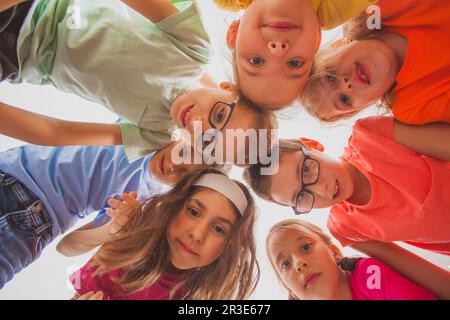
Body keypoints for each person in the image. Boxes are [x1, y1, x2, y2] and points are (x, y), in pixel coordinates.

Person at [0, 140, 221, 289]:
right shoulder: (145, 130)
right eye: (182, 152)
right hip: (9, 170)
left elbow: (65, 247)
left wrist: (110, 231)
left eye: (183, 174)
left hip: (34, 224)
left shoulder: (140, 203)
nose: (173, 165)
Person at [243, 116, 450, 255]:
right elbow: (415, 263)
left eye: (306, 170)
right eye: (301, 196)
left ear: (312, 145)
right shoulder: (345, 227)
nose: (321, 189)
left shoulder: (370, 136)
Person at [65, 169, 259, 300]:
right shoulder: (128, 252)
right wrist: (111, 232)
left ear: (229, 247)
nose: (198, 235)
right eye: (193, 212)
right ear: (173, 207)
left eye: (218, 229)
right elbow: (68, 252)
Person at [300, 0, 450, 124]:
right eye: (344, 100)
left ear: (337, 45)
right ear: (366, 105)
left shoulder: (377, 8)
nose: (346, 85)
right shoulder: (413, 106)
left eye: (330, 76)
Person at [213, 0, 378, 108]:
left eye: (256, 61)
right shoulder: (334, 9)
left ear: (234, 34)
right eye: (294, 63)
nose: (278, 49)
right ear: (316, 40)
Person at [267, 219, 448, 300]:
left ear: (334, 251)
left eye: (306, 247)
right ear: (289, 290)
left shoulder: (369, 275)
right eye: (285, 264)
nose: (299, 263)